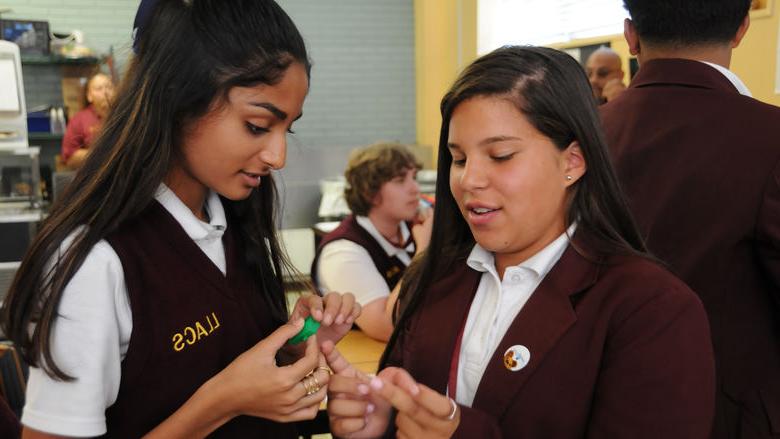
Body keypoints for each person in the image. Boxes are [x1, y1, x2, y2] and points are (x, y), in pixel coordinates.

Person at [0, 1, 361, 437]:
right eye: (257, 125)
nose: (278, 156)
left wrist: (296, 346)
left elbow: (228, 363)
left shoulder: (231, 216)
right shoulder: (96, 263)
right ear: (177, 98)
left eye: (289, 128)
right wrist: (221, 402)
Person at [322, 45, 716, 439]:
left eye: (501, 155)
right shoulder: (434, 278)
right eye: (458, 159)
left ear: (573, 161)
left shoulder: (649, 308)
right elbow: (408, 404)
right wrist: (381, 421)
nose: (469, 180)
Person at [600, 1, 780, 437]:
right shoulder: (770, 138)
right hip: (730, 416)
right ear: (741, 28)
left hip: (596, 405)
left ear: (630, 35)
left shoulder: (583, 135)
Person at [311, 142, 432, 342]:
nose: (415, 189)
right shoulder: (342, 251)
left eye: (414, 177)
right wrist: (424, 253)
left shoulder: (417, 227)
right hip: (361, 362)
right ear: (370, 192)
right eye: (401, 180)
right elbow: (386, 327)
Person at [60, 72, 115, 169]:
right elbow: (69, 158)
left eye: (109, 87)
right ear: (89, 96)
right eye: (99, 88)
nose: (105, 92)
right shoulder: (79, 119)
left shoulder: (123, 115)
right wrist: (104, 154)